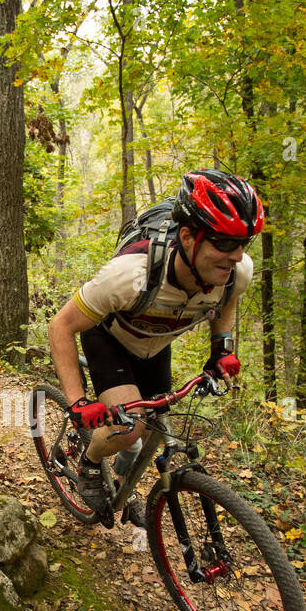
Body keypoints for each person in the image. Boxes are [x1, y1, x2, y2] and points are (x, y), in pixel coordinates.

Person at [45, 168, 265, 529]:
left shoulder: (235, 273)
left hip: (155, 344)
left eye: (244, 244)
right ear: (189, 237)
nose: (237, 256)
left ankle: (120, 484)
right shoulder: (130, 275)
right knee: (129, 430)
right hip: (109, 339)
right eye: (224, 243)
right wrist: (78, 403)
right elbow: (61, 326)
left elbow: (225, 305)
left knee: (154, 429)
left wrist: (221, 347)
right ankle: (88, 464)